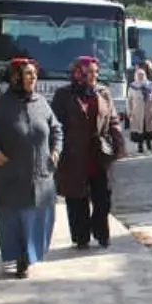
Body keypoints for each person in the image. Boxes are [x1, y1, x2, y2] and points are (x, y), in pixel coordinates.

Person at [0, 59, 63, 279]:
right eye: (28, 74)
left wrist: (56, 151)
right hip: (11, 175)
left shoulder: (41, 103)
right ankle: (21, 258)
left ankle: (30, 254)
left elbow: (56, 128)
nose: (33, 78)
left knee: (39, 217)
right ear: (15, 78)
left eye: (34, 74)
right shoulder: (0, 105)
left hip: (41, 175)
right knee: (16, 218)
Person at [51, 56, 124, 250]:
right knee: (76, 198)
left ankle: (101, 232)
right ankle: (81, 236)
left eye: (96, 72)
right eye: (89, 72)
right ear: (78, 73)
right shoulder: (63, 95)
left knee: (103, 198)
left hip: (99, 153)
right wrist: (55, 150)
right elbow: (55, 125)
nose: (94, 76)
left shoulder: (103, 93)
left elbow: (113, 120)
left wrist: (118, 144)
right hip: (74, 155)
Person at [126, 68, 152, 153]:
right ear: (135, 76)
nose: (140, 77)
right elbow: (129, 100)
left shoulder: (151, 85)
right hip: (137, 112)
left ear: (145, 76)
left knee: (148, 128)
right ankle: (140, 146)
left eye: (142, 75)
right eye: (138, 75)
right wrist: (129, 111)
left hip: (149, 111)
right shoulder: (132, 86)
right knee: (139, 129)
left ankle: (149, 144)